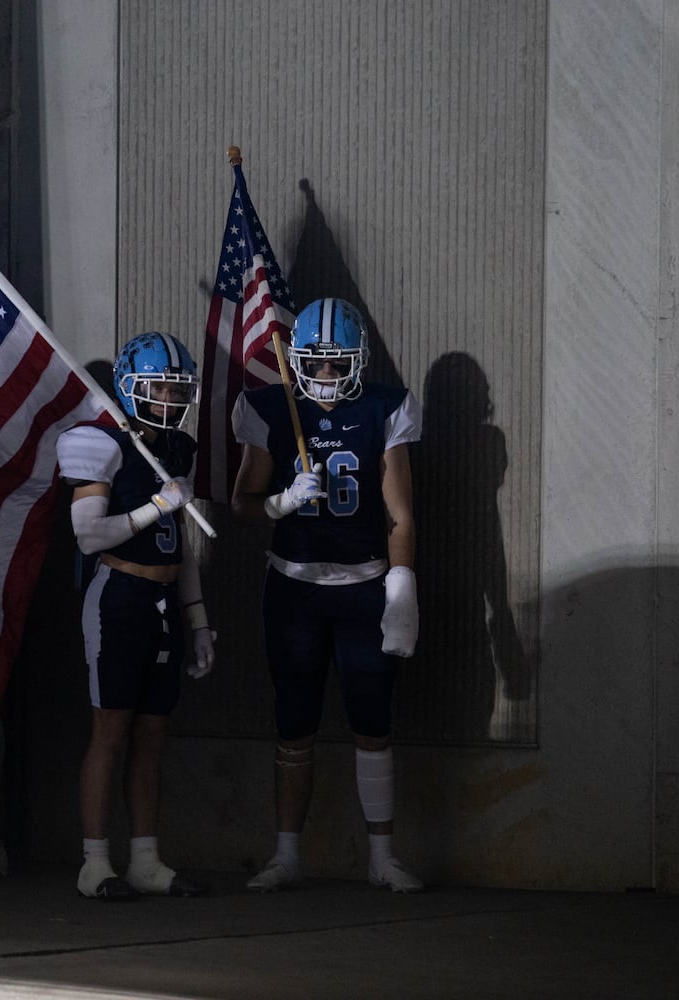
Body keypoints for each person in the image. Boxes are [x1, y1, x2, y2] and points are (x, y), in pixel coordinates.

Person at [230, 297, 424, 893]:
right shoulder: (269, 405)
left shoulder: (383, 406)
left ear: (358, 361)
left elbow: (400, 512)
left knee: (373, 722)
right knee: (294, 723)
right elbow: (240, 502)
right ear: (299, 360)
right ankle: (287, 855)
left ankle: (382, 857)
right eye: (315, 365)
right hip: (295, 587)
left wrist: (402, 582)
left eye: (339, 365)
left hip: (365, 586)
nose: (325, 377)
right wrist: (281, 502)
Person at [55, 331, 216, 900]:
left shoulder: (178, 450)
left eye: (179, 389)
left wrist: (197, 619)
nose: (171, 400)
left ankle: (145, 858)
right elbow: (88, 534)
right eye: (161, 388)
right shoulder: (98, 441)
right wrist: (154, 506)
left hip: (165, 601)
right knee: (111, 731)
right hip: (118, 596)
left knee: (153, 733)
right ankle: (95, 863)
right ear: (129, 388)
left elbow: (181, 543)